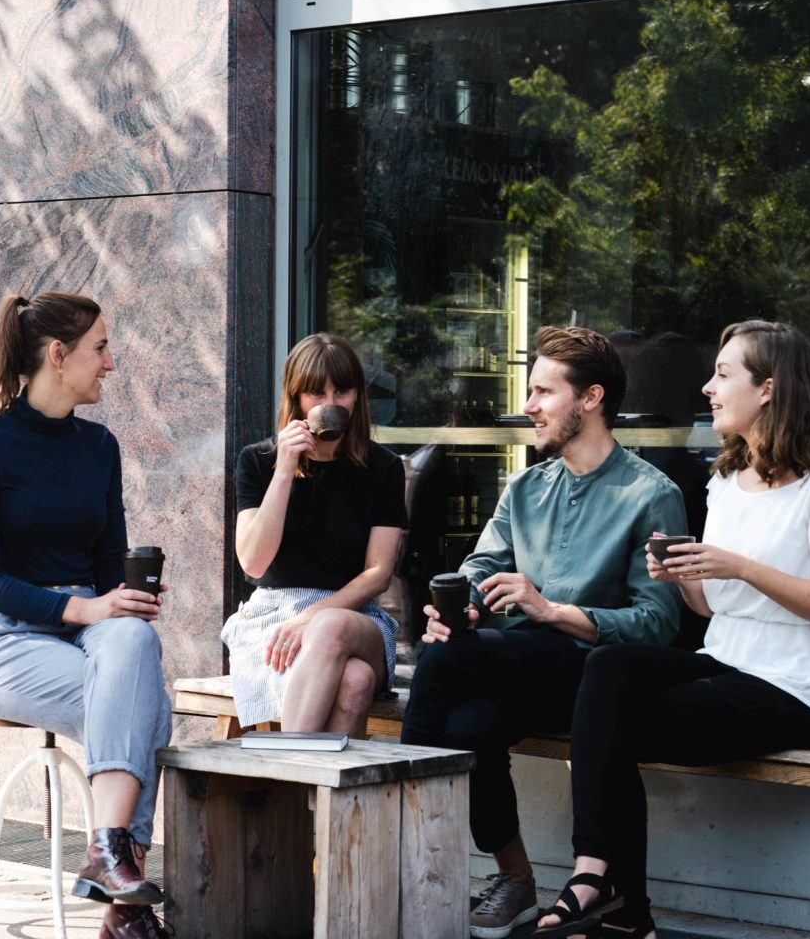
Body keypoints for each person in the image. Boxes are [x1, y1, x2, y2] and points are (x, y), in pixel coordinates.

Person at [535, 320, 810, 939]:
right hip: (729, 660)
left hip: (798, 687)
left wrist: (741, 566)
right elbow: (711, 608)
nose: (708, 387)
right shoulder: (724, 482)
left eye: (723, 374)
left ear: (767, 389)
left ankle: (619, 903)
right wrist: (676, 573)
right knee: (608, 666)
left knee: (610, 728)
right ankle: (601, 880)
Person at [400, 325, 688, 939]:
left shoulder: (651, 494)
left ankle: (404, 843)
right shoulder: (527, 486)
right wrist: (463, 607)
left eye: (542, 392)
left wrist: (552, 609)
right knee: (465, 726)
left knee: (444, 664)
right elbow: (479, 568)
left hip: (592, 675)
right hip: (517, 660)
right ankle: (516, 878)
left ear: (591, 398)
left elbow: (658, 624)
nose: (528, 405)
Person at [0, 293, 173, 939]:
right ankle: (125, 907)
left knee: (133, 642)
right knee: (146, 704)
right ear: (58, 356)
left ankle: (107, 854)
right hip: (2, 645)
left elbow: (108, 569)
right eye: (100, 348)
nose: (112, 362)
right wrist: (87, 606)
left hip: (86, 639)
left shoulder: (100, 448)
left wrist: (125, 600)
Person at [221, 333, 407, 736]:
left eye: (342, 391)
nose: (331, 403)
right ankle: (321, 798)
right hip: (274, 615)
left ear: (357, 395)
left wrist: (311, 619)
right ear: (296, 398)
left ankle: (289, 763)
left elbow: (378, 573)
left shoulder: (383, 467)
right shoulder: (259, 461)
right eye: (315, 393)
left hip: (357, 617)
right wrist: (285, 468)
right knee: (354, 682)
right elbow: (253, 561)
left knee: (330, 627)